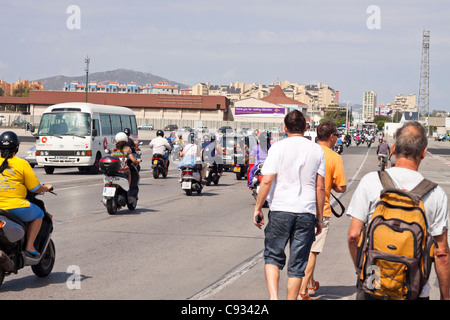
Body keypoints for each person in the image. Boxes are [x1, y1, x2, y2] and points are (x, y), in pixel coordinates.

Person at [347, 121, 450, 300]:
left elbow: (353, 236)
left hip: (374, 284)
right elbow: (441, 254)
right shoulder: (436, 194)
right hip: (413, 290)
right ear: (424, 153)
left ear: (393, 149)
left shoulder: (371, 181)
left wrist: (362, 271)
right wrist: (445, 296)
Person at [253, 110, 326, 300]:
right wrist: (319, 218)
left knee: (272, 256)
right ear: (305, 128)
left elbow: (267, 181)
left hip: (280, 210)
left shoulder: (277, 148)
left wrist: (258, 208)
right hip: (306, 213)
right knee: (297, 264)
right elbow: (320, 188)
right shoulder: (317, 150)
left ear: (285, 128)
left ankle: (274, 298)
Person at [298, 121, 347, 300]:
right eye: (337, 136)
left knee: (304, 248)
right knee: (313, 251)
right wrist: (330, 185)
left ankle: (311, 284)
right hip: (321, 210)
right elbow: (342, 187)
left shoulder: (307, 150)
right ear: (332, 137)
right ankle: (302, 290)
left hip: (300, 208)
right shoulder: (334, 157)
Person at [0, 131, 53, 258]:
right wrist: (46, 187)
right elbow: (35, 188)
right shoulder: (22, 164)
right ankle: (29, 246)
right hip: (15, 206)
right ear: (17, 148)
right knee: (39, 213)